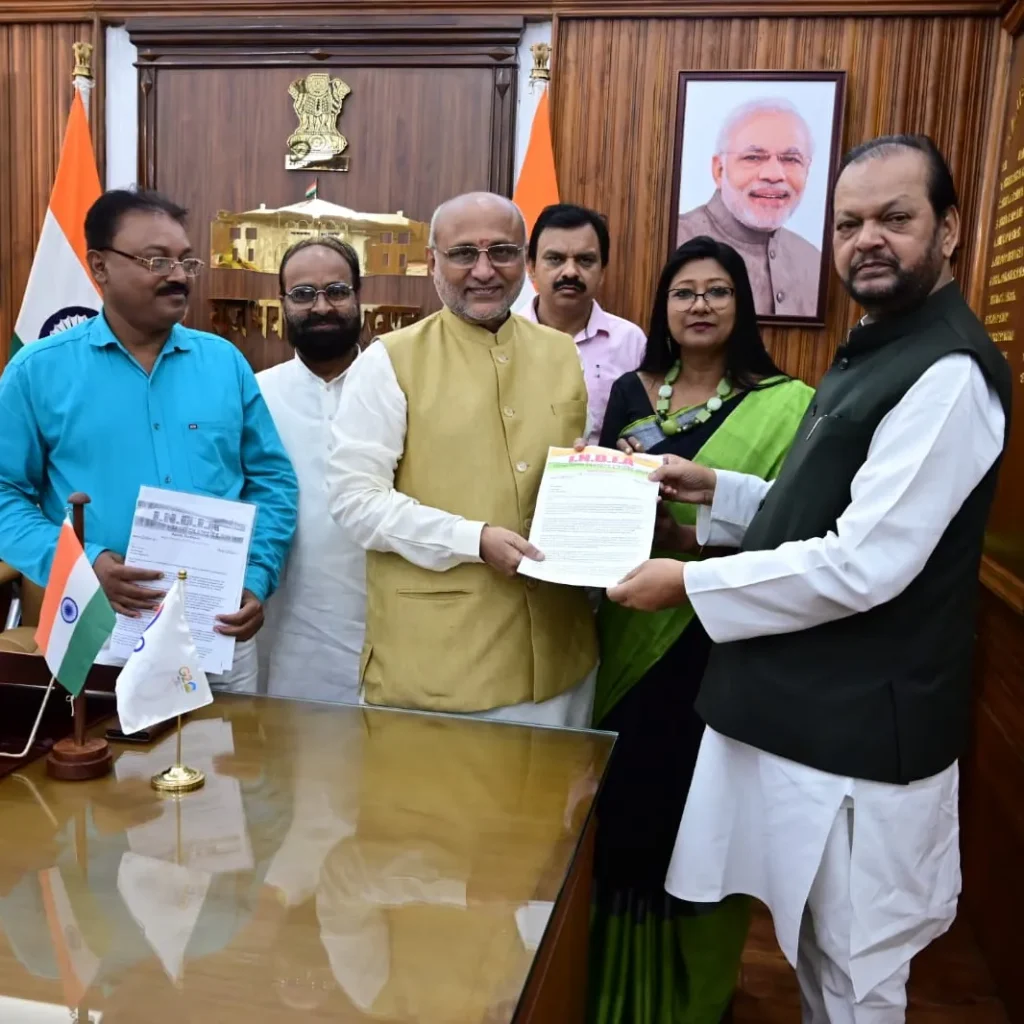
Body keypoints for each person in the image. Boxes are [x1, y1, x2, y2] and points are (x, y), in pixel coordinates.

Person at [610, 135, 1012, 1020]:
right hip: (809, 721)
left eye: (894, 218)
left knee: (857, 971)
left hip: (865, 738)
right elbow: (826, 509)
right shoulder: (879, 344)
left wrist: (687, 585)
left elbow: (865, 563)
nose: (867, 240)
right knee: (818, 954)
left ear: (949, 228)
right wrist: (717, 491)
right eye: (848, 223)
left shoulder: (946, 371)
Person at [589, 237, 813, 1024]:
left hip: (722, 642)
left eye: (717, 291)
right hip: (629, 633)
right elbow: (606, 502)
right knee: (628, 811)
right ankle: (614, 995)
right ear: (664, 307)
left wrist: (689, 543)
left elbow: (797, 532)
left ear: (741, 305)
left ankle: (694, 999)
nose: (700, 306)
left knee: (704, 821)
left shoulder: (787, 403)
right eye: (684, 292)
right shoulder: (631, 391)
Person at [0, 189, 297, 691]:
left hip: (217, 629)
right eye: (157, 261)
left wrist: (256, 576)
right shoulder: (38, 371)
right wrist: (83, 563)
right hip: (97, 625)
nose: (178, 276)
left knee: (229, 744)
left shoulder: (223, 363)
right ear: (99, 266)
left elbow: (272, 482)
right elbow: (4, 493)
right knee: (102, 745)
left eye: (186, 261)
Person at [327, 191, 597, 724]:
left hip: (560, 657)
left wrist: (605, 479)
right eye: (463, 254)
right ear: (432, 262)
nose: (484, 271)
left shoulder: (560, 352)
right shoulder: (390, 361)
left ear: (525, 260)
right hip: (438, 662)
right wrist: (471, 539)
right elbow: (354, 501)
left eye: (502, 252)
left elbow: (567, 470)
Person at [256, 237, 366, 703]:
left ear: (359, 295)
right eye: (303, 294)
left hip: (382, 622)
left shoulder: (397, 388)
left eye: (337, 291)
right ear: (282, 302)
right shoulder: (256, 394)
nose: (321, 307)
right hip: (284, 626)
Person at [677, 98, 820, 317]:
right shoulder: (671, 240)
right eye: (753, 157)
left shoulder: (814, 262)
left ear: (807, 171)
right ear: (719, 170)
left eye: (791, 159)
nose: (774, 174)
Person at [522, 203, 646, 443]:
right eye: (555, 259)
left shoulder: (631, 342)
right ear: (531, 267)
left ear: (602, 272)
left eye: (585, 260)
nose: (570, 272)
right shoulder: (504, 337)